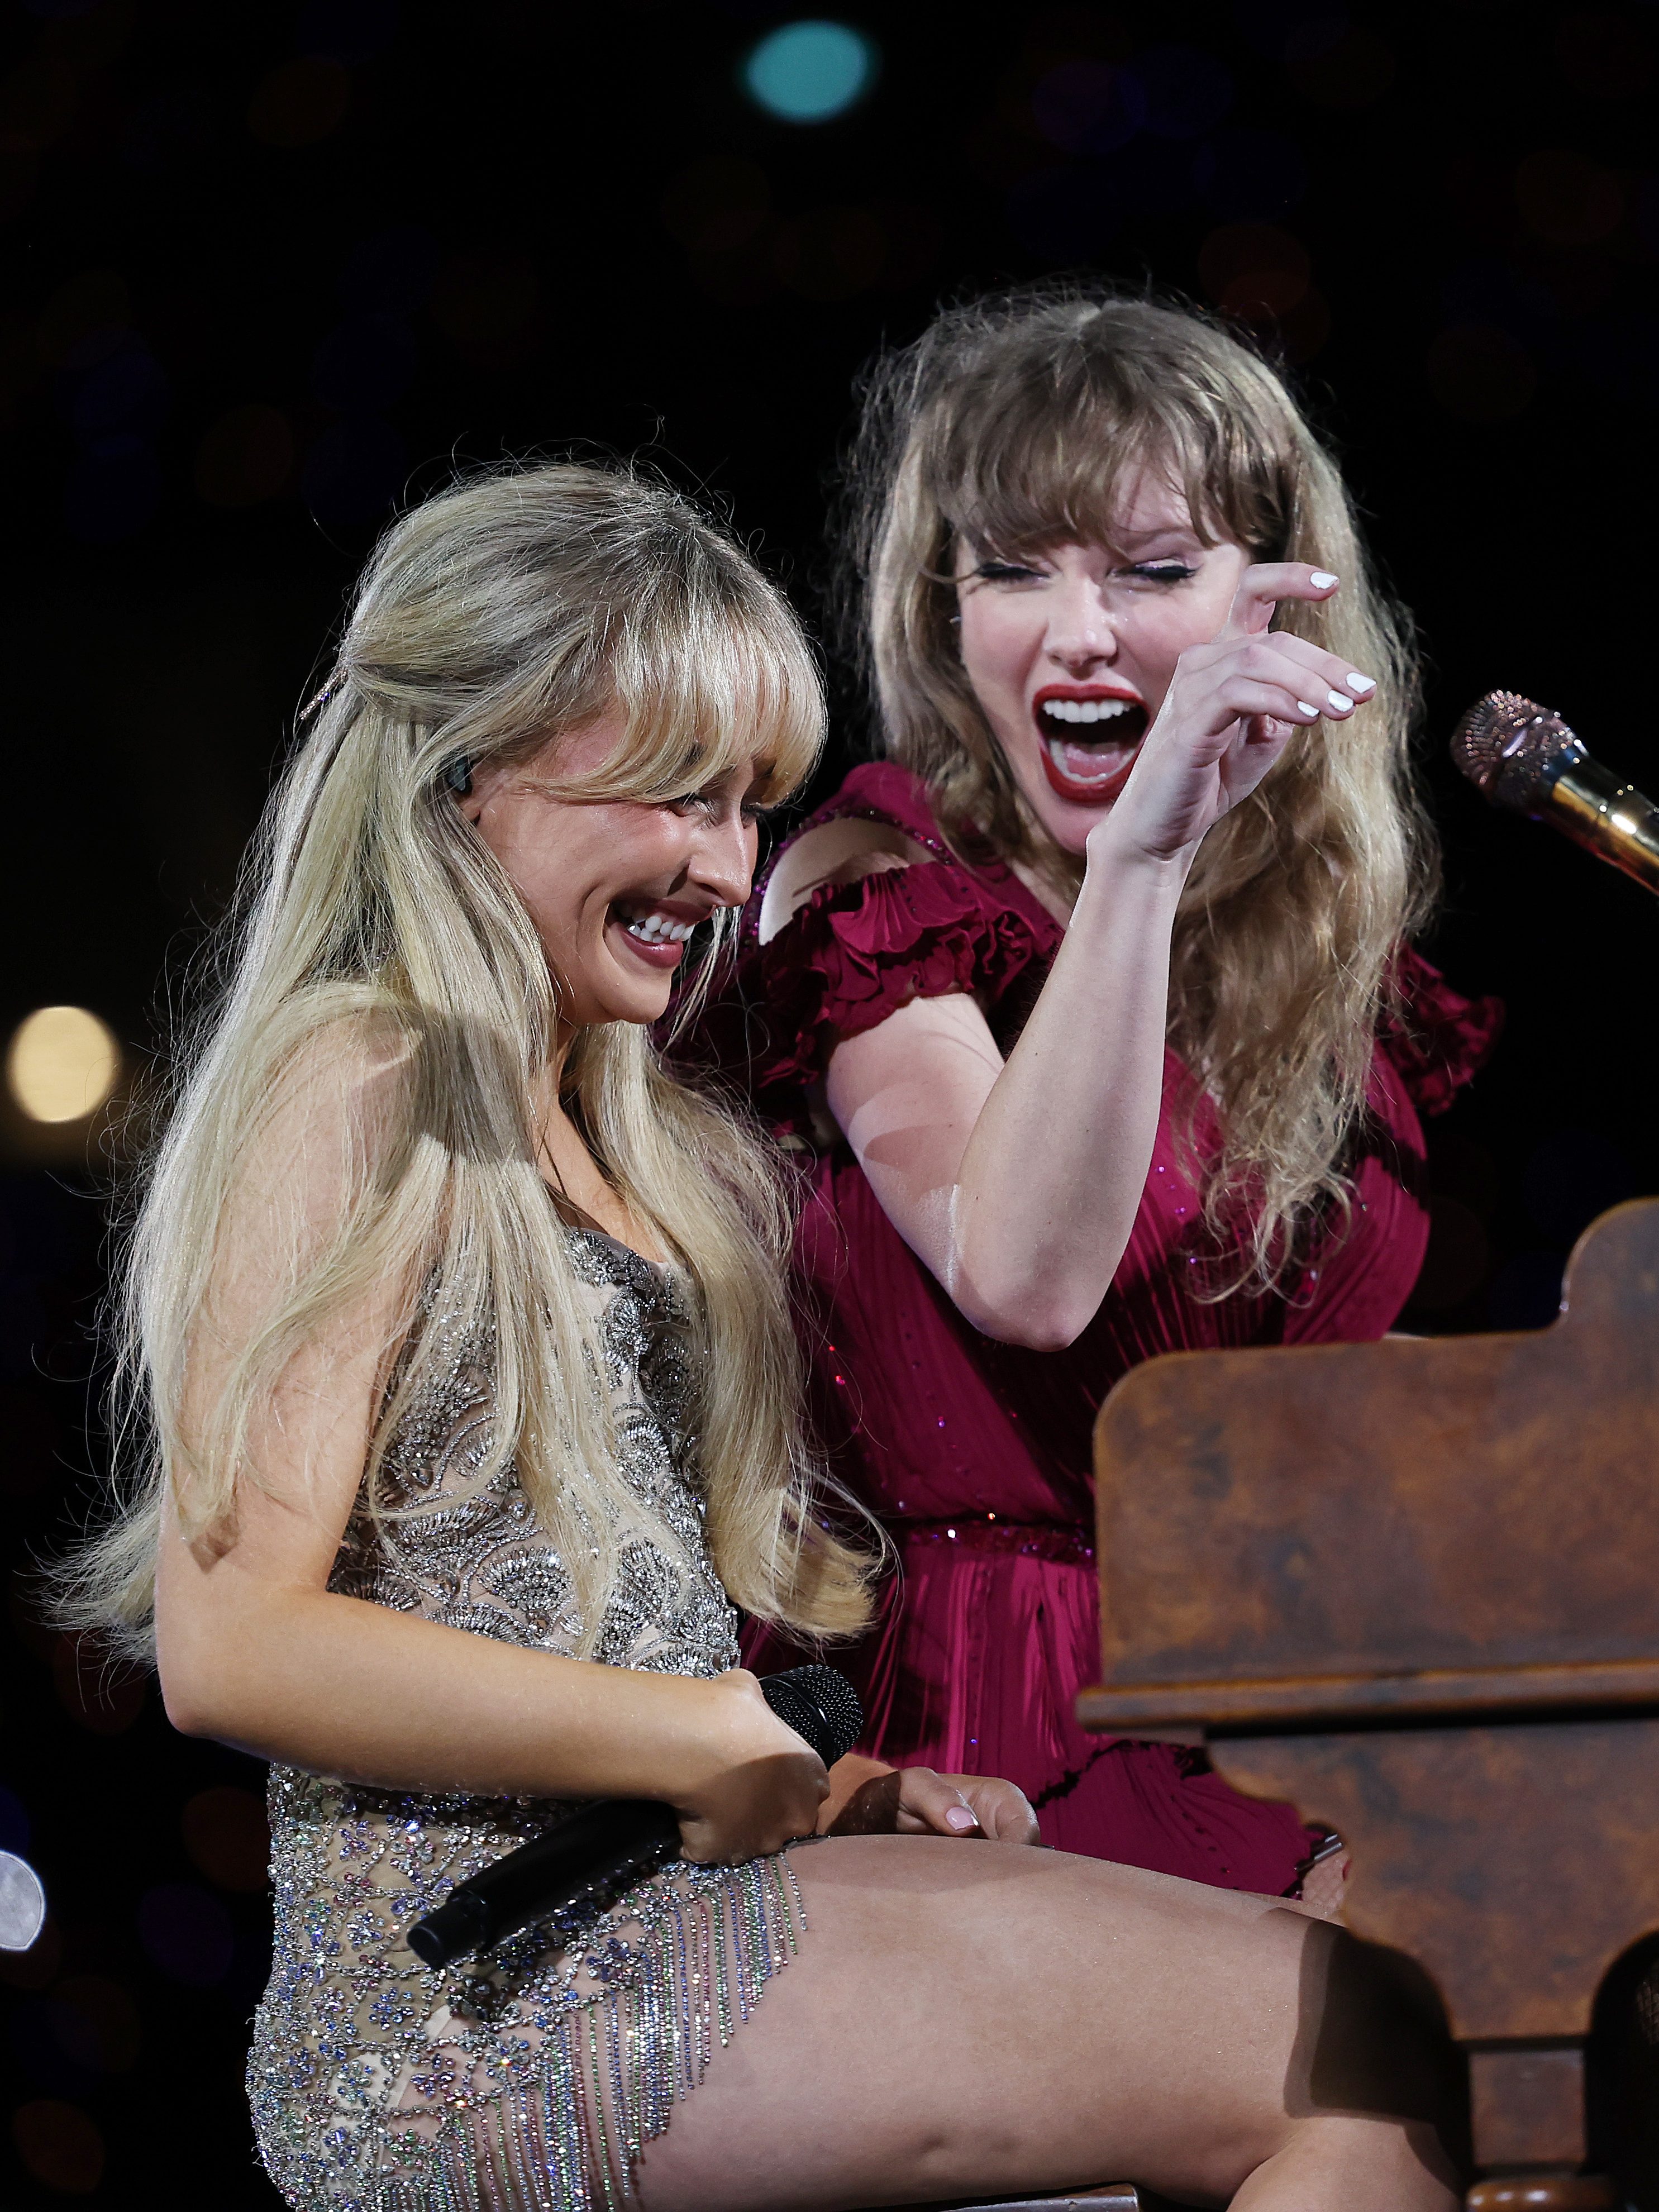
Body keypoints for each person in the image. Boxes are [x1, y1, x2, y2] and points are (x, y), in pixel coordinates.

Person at [57, 464, 1457, 2211]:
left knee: (1376, 2007)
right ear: (466, 772)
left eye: (747, 807)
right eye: (671, 797)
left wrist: (847, 1788)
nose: (726, 868)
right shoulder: (363, 1068)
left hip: (651, 1915)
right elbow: (237, 1646)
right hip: (482, 2006)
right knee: (1360, 2043)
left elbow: (593, 1642)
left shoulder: (603, 1118)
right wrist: (688, 1741)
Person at [700, 292, 1501, 1901]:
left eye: (1148, 571)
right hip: (992, 1742)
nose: (1077, 635)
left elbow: (1298, 1398)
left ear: (1279, 606)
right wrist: (1142, 851)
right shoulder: (876, 888)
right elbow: (1025, 1275)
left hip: (1300, 1718)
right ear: (941, 612)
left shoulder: (1309, 971)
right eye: (1011, 570)